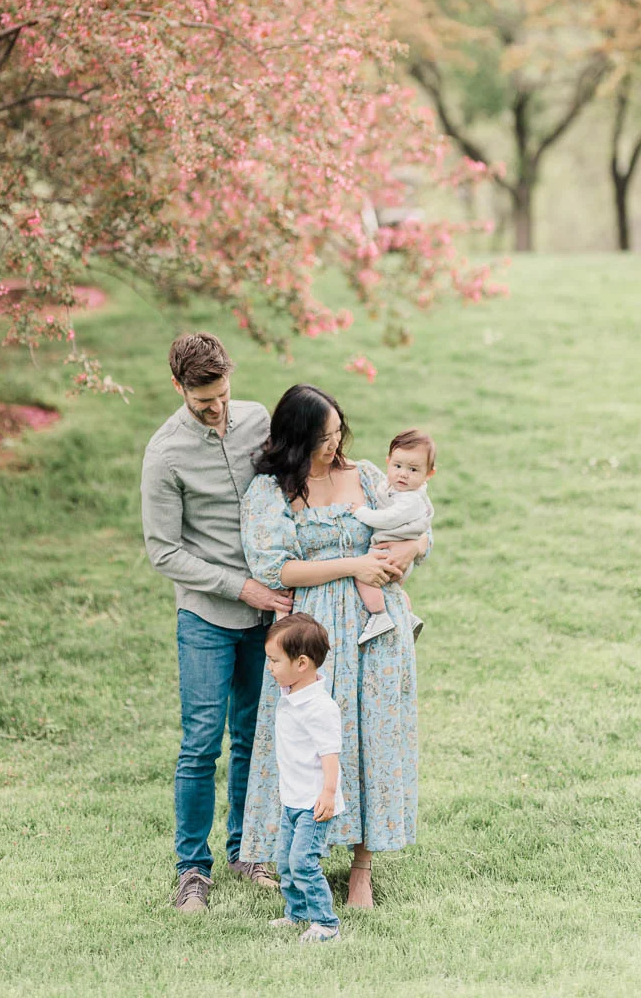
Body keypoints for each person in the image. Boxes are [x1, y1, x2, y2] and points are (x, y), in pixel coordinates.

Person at [238, 384, 431, 908]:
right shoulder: (271, 492)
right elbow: (274, 568)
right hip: (313, 635)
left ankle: (362, 869)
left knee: (375, 735)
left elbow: (418, 524)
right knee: (312, 741)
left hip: (378, 628)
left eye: (338, 431)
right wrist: (354, 565)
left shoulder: (367, 476)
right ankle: (305, 857)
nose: (334, 443)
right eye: (323, 437)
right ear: (297, 440)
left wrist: (406, 554)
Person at [141, 332, 289, 913]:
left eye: (223, 395)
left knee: (254, 736)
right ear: (178, 386)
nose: (217, 407)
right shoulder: (165, 453)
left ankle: (247, 850)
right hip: (206, 614)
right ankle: (191, 870)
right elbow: (163, 551)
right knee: (202, 743)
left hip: (267, 616)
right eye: (204, 400)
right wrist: (240, 586)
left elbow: (296, 479)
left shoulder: (257, 421)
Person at [264, 612, 344, 944]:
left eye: (274, 660)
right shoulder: (291, 695)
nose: (269, 667)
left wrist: (328, 793)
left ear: (301, 664)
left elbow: (330, 755)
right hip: (292, 800)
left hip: (314, 802)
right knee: (285, 860)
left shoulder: (319, 708)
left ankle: (326, 923)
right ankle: (296, 914)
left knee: (302, 862)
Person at [350, 429, 436, 645]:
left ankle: (379, 616)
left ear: (429, 474)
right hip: (393, 549)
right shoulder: (395, 488)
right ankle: (407, 615)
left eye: (413, 469)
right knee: (391, 589)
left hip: (391, 552)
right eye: (397, 466)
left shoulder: (411, 500)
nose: (403, 474)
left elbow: (387, 518)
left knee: (363, 577)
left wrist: (360, 512)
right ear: (388, 462)